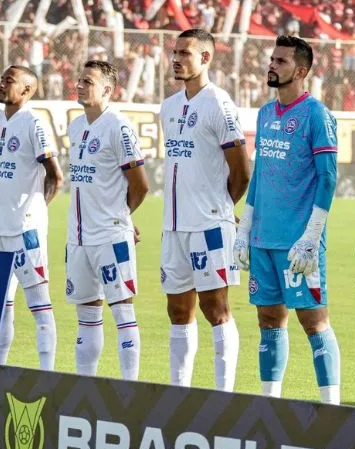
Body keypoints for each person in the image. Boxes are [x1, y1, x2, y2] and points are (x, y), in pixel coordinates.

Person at [233, 35, 341, 404]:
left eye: (280, 61)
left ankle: (332, 408)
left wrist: (312, 235)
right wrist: (244, 229)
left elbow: (328, 178)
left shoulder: (316, 115)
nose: (272, 65)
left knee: (314, 323)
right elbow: (260, 173)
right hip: (263, 240)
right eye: (272, 59)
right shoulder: (264, 113)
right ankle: (270, 403)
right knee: (268, 322)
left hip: (298, 244)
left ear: (301, 70)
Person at [160, 29, 250, 391]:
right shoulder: (168, 106)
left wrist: (223, 208)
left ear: (206, 58)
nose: (177, 59)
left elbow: (242, 170)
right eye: (175, 52)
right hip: (174, 226)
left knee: (216, 309)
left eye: (186, 53)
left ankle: (221, 395)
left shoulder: (219, 103)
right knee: (178, 311)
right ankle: (179, 391)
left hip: (211, 226)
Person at [0, 65, 63, 396]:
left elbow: (54, 174)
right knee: (0, 307)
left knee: (39, 303)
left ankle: (49, 378)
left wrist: (37, 211)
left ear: (27, 90)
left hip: (25, 230)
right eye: (2, 78)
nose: (1, 84)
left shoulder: (35, 122)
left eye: (9, 81)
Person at [66, 60, 149, 380]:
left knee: (122, 309)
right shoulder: (76, 126)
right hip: (78, 238)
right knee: (86, 314)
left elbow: (140, 185)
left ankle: (131, 387)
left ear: (107, 90)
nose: (80, 84)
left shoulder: (119, 126)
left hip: (110, 236)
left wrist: (120, 217)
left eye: (88, 81)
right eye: (80, 79)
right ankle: (85, 384)